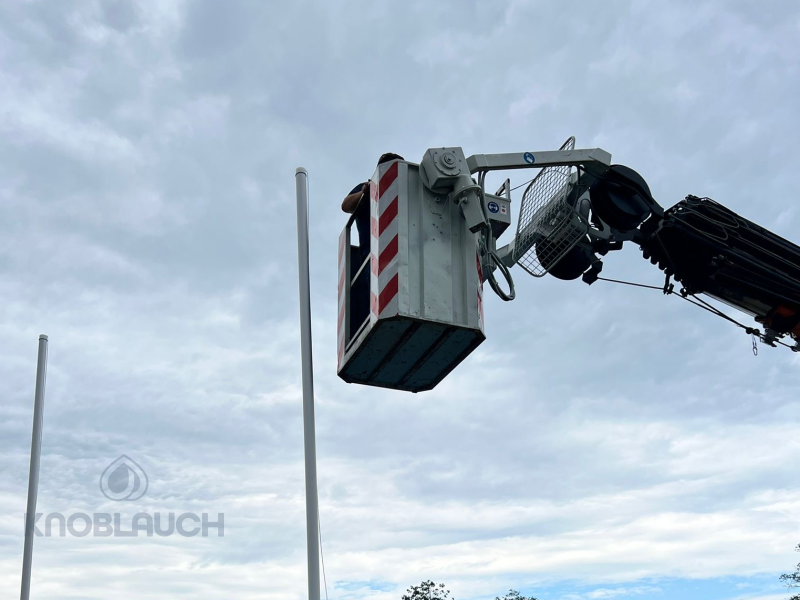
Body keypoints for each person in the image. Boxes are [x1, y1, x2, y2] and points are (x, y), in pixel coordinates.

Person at [342, 153, 404, 334]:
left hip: (402, 253)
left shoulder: (403, 190)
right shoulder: (368, 188)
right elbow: (346, 205)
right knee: (381, 299)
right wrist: (364, 193)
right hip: (374, 256)